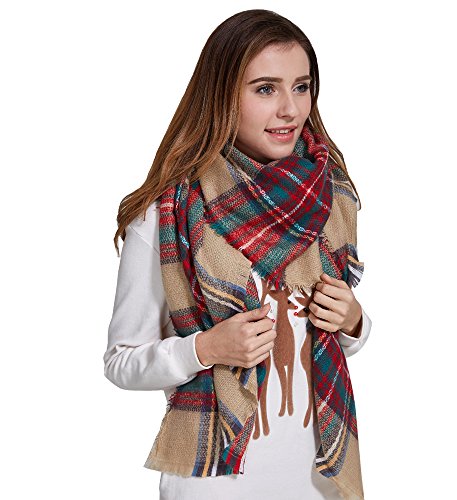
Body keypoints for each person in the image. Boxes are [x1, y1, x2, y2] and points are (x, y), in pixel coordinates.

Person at [104, 9, 372, 500]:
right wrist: (204, 349)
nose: (290, 109)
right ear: (223, 94)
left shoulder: (328, 197)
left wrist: (355, 321)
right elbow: (121, 362)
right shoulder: (168, 214)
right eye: (265, 89)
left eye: (301, 87)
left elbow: (332, 341)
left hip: (320, 477)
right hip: (216, 477)